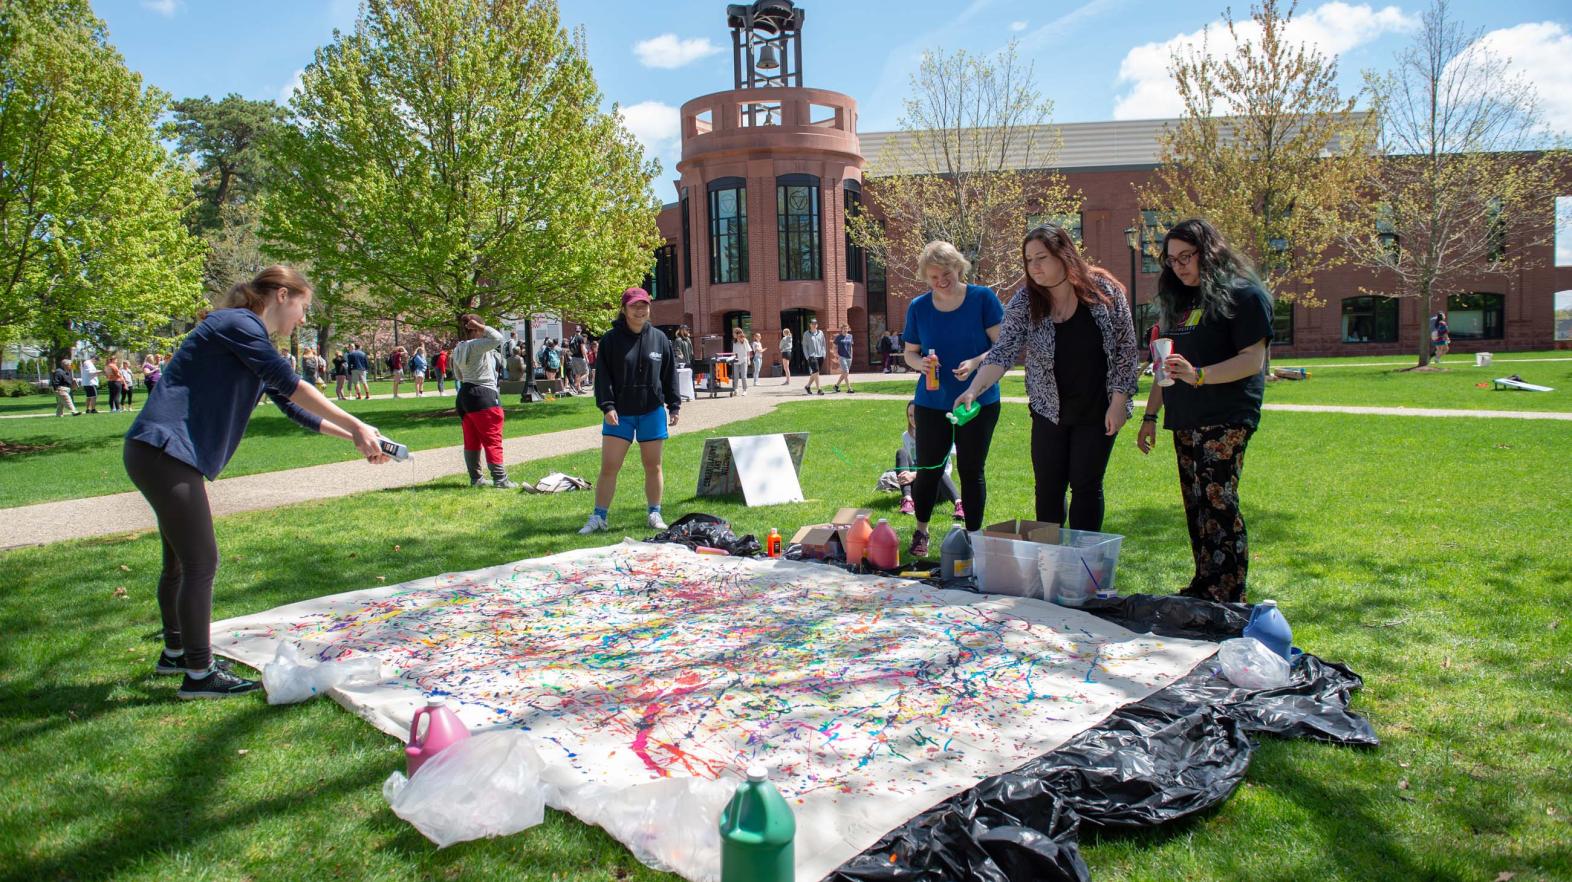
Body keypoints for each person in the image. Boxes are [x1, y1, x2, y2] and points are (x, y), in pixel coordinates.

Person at [123, 265, 390, 698]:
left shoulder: (246, 338)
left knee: (179, 561)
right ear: (282, 295)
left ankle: (176, 653)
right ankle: (200, 675)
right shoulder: (237, 323)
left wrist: (355, 438)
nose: (303, 320)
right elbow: (292, 383)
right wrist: (356, 423)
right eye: (304, 307)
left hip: (161, 453)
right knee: (201, 562)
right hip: (163, 451)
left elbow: (291, 406)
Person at [960, 224, 1140, 531]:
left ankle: (1084, 565)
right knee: (1048, 489)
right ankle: (1049, 563)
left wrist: (1120, 401)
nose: (1034, 267)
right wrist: (973, 390)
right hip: (1048, 410)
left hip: (1098, 409)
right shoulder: (1025, 302)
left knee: (1085, 487)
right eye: (1029, 260)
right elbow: (1003, 351)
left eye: (1041, 257)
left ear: (1063, 255)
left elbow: (1126, 350)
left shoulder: (1103, 292)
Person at [1135, 218, 1273, 604]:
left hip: (1226, 415)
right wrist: (1149, 417)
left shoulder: (1244, 296)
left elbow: (1251, 361)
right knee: (1197, 505)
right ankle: (1204, 584)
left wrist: (1199, 376)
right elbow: (1166, 368)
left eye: (1187, 256)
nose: (1179, 266)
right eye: (1172, 259)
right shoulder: (1180, 305)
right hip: (1185, 418)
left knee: (1219, 502)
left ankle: (1229, 593)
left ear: (1208, 252)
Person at [902, 240, 1004, 557]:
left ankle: (974, 538)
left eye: (945, 273)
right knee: (930, 467)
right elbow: (910, 354)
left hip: (979, 402)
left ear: (958, 267)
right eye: (933, 277)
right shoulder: (919, 307)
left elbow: (1003, 347)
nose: (941, 282)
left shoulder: (982, 298)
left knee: (972, 470)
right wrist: (922, 364)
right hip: (932, 402)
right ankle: (921, 532)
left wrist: (975, 363)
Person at [580, 288, 680, 534]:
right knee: (610, 466)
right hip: (620, 414)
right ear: (624, 309)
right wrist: (607, 406)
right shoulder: (611, 340)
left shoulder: (659, 339)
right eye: (635, 305)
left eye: (644, 305)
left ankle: (654, 513)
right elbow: (602, 378)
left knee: (653, 465)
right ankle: (599, 516)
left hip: (652, 410)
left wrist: (674, 404)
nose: (640, 310)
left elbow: (670, 375)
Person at [451, 315, 516, 488]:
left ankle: (476, 479)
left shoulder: (458, 348)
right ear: (475, 328)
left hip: (464, 395)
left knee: (471, 440)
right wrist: (481, 326)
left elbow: (458, 375)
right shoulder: (476, 345)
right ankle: (500, 480)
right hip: (483, 394)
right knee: (492, 439)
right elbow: (498, 338)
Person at [895, 402, 961, 519]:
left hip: (939, 487)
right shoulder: (906, 436)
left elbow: (942, 467)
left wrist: (914, 475)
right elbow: (912, 464)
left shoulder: (937, 434)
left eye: (916, 414)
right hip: (920, 486)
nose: (913, 419)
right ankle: (908, 500)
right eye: (910, 415)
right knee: (901, 452)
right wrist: (910, 475)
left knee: (936, 466)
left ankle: (959, 504)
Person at [802, 318, 827, 395]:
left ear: (817, 325)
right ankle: (819, 389)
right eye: (812, 324)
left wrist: (824, 353)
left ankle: (808, 386)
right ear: (810, 325)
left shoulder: (820, 333)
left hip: (820, 355)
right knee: (816, 371)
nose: (814, 325)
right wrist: (807, 356)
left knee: (815, 372)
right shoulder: (806, 334)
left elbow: (823, 344)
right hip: (811, 356)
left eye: (815, 324)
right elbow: (804, 346)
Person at [831, 325, 857, 393]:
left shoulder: (850, 336)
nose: (845, 330)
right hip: (842, 357)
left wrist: (852, 355)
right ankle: (849, 388)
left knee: (844, 373)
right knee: (846, 372)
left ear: (848, 329)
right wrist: (837, 355)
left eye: (846, 329)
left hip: (849, 357)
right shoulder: (838, 337)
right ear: (841, 329)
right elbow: (834, 346)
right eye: (844, 329)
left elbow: (851, 346)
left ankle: (836, 386)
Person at [730, 326, 751, 395]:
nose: (733, 334)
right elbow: (734, 352)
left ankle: (745, 390)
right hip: (736, 361)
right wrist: (731, 359)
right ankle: (735, 389)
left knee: (743, 376)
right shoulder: (734, 341)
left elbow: (748, 350)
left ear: (737, 333)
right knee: (735, 376)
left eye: (734, 333)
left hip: (743, 360)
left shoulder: (744, 340)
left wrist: (748, 359)